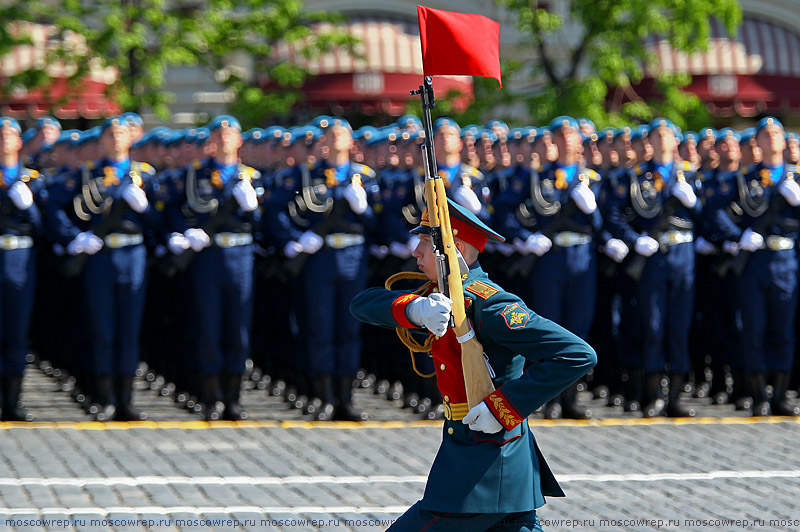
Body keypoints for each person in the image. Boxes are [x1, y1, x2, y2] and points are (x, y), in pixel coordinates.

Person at [350, 198, 596, 531]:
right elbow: (362, 304)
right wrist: (415, 310)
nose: (415, 252)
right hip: (493, 458)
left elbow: (576, 354)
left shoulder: (488, 303)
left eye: (425, 242)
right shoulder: (439, 298)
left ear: (455, 250)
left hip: (483, 462)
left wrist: (503, 407)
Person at [0, 117, 44, 421]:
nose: (4, 140)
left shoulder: (33, 179)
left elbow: (44, 229)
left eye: (9, 135)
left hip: (19, 260)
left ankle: (13, 401)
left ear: (19, 142)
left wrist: (29, 207)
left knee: (16, 331)